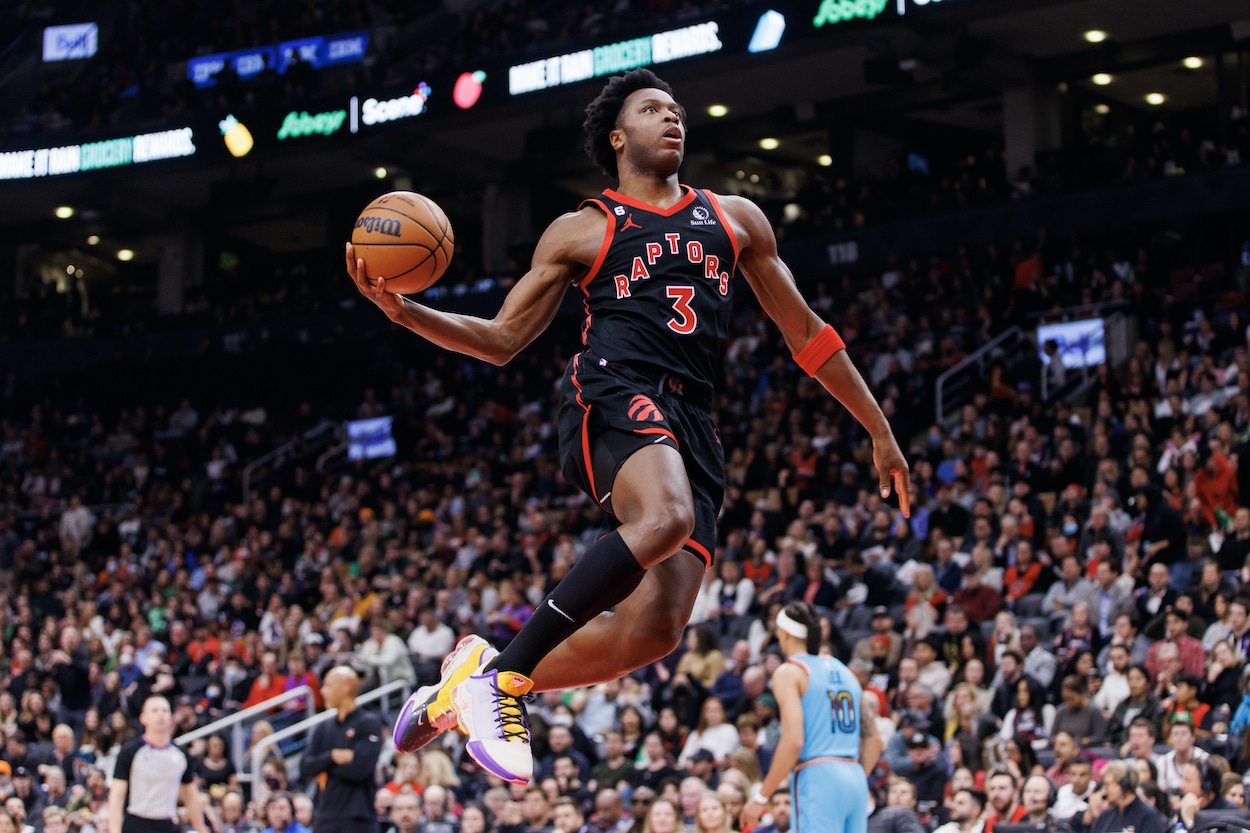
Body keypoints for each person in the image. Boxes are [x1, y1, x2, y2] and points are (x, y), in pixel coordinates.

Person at [369, 66, 910, 784]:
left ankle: (477, 675)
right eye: (654, 109)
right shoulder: (586, 227)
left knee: (655, 630)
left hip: (692, 417)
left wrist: (878, 427)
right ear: (618, 136)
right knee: (664, 516)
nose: (673, 117)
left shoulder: (736, 218)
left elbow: (806, 332)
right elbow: (501, 339)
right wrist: (411, 314)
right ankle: (500, 685)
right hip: (612, 392)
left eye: (678, 109)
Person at [737, 601, 882, 833]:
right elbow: (874, 741)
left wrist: (763, 796)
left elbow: (794, 740)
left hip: (818, 775)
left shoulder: (790, 672)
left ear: (784, 634)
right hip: (854, 775)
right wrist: (847, 779)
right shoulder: (844, 671)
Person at [298, 667, 383, 833]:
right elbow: (305, 767)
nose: (322, 691)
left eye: (327, 686)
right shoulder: (324, 727)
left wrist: (324, 767)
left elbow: (360, 770)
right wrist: (333, 756)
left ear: (345, 688)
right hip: (325, 815)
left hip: (358, 817)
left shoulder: (368, 723)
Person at [106, 696, 206, 833]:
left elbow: (192, 796)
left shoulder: (180, 754)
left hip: (168, 823)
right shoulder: (130, 752)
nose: (160, 715)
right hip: (137, 823)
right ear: (143, 718)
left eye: (165, 711)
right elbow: (116, 796)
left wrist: (201, 828)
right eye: (155, 711)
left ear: (171, 717)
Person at [1078, 760, 1167, 833]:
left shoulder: (1148, 816)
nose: (1104, 790)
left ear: (1123, 785)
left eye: (1108, 784)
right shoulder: (1105, 816)